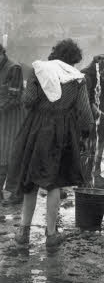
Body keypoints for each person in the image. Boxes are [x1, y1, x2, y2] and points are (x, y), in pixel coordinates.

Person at [13, 39, 95, 248]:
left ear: (55, 53)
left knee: (29, 180)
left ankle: (23, 232)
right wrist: (86, 135)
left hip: (36, 128)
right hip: (62, 131)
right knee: (54, 182)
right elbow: (85, 114)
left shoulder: (38, 70)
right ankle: (51, 235)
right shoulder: (77, 79)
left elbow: (28, 101)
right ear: (74, 60)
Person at [80, 55, 104, 186]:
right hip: (85, 118)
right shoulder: (86, 76)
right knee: (87, 146)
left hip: (95, 118)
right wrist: (98, 111)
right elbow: (86, 100)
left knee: (100, 141)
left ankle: (95, 174)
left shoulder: (97, 76)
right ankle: (86, 177)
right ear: (100, 66)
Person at [0, 43, 26, 205]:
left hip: (13, 116)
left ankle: (18, 193)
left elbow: (14, 98)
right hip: (2, 115)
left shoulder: (14, 68)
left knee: (12, 154)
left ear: (2, 53)